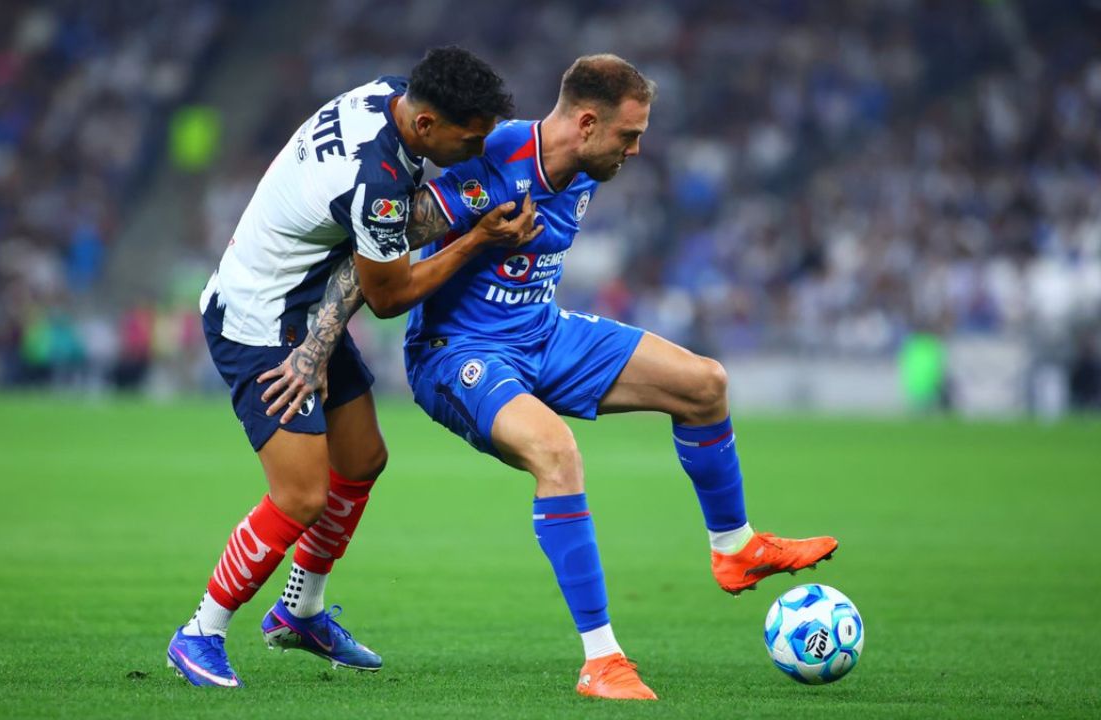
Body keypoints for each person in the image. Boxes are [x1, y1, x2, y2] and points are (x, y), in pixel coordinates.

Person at [273, 55, 838, 701]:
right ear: (589, 123)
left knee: (704, 383)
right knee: (558, 454)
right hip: (458, 352)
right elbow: (382, 244)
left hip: (542, 332)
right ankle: (601, 661)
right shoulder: (495, 162)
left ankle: (735, 547)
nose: (637, 148)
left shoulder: (585, 163)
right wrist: (315, 349)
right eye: (629, 136)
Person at [169, 46, 541, 688]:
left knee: (363, 458)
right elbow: (390, 297)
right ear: (426, 126)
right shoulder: (376, 183)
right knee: (302, 494)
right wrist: (477, 239)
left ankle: (299, 611)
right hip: (258, 320)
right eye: (471, 137)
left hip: (304, 308)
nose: (477, 149)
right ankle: (200, 631)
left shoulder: (387, 94)